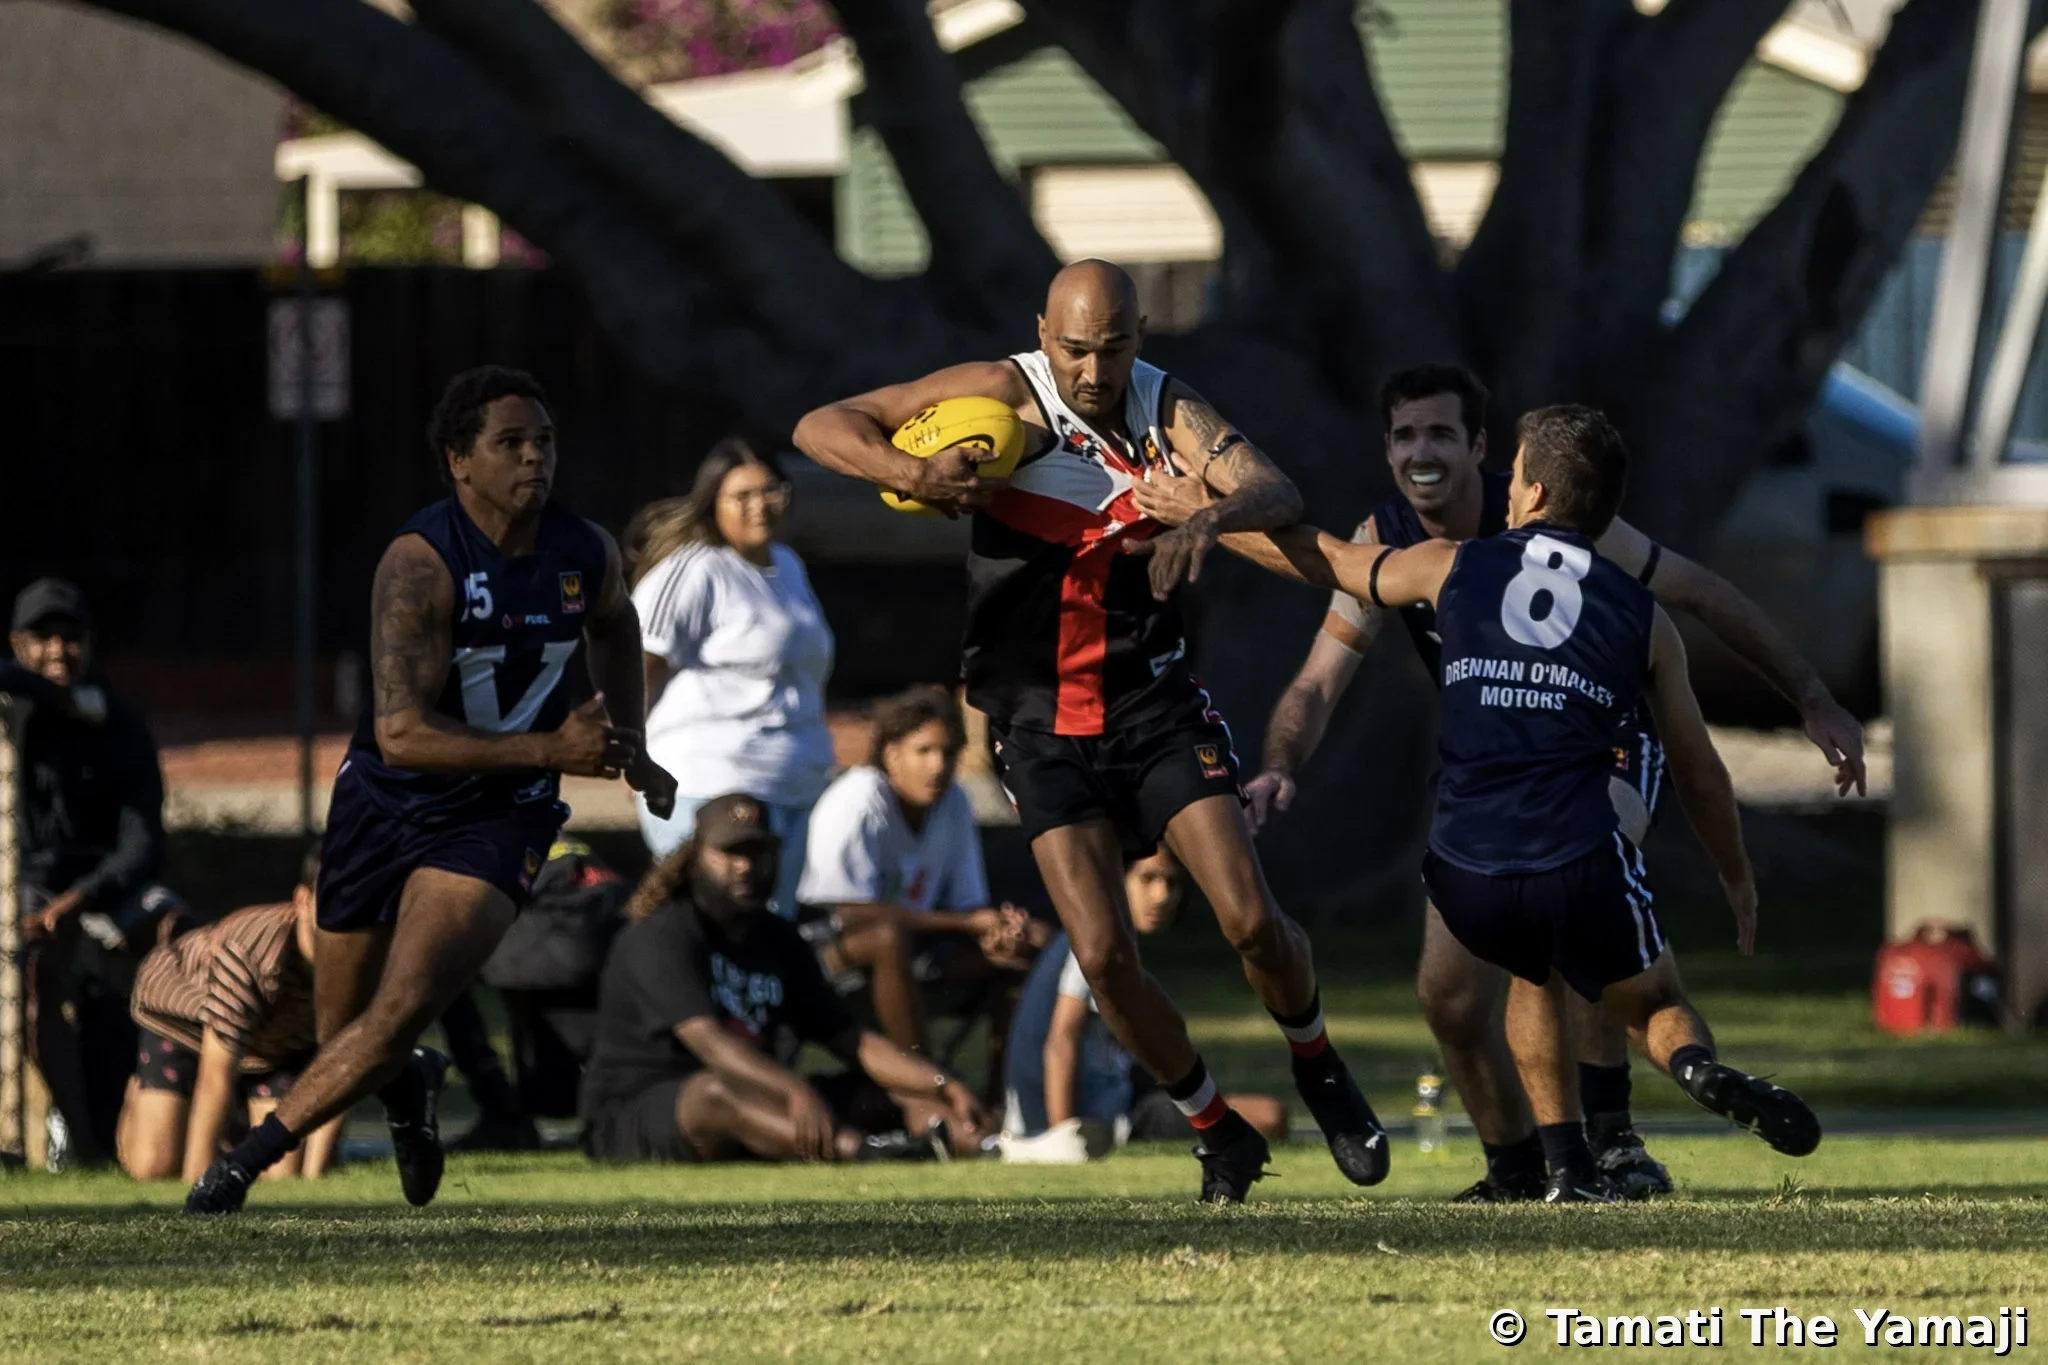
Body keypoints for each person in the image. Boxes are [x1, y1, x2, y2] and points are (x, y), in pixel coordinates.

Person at [1176, 364, 1863, 1203]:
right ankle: (1517, 1167)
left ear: (1485, 454)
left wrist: (1815, 698)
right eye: (1403, 435)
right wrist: (1280, 767)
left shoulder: (1562, 520)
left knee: (1559, 921)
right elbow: (1318, 675)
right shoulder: (1402, 540)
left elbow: (1707, 596)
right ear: (1386, 449)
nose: (1420, 452)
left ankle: (1609, 1145)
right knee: (1449, 998)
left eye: (1439, 434)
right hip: (1498, 774)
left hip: (1609, 751)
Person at [794, 259, 1385, 1203]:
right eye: (1074, 348)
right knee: (1104, 956)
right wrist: (917, 474)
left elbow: (1276, 489)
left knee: (1248, 919)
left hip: (1154, 706)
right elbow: (821, 425)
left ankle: (1317, 1062)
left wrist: (1209, 511)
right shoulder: (1001, 393)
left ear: (1140, 337)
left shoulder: (1167, 412)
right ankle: (1215, 1127)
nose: (1093, 370)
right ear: (1043, 333)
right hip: (1037, 726)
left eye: (1112, 348)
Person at [185, 365, 678, 1214]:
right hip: (384, 801)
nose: (535, 459)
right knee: (348, 1034)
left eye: (546, 442)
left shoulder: (584, 549)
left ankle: (235, 1170)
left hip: (500, 815)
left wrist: (631, 743)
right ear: (459, 460)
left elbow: (616, 621)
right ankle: (410, 1085)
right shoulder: (420, 564)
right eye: (511, 443)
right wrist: (553, 742)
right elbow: (401, 732)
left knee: (404, 1003)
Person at [580, 793, 992, 1164]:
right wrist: (794, 1091)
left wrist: (941, 1084)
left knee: (892, 1096)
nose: (745, 867)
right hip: (642, 1109)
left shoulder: (778, 937)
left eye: (758, 853)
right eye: (730, 853)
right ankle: (868, 1155)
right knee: (715, 1091)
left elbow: (851, 1038)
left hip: (762, 1095)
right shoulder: (660, 935)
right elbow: (711, 1044)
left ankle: (984, 1142)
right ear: (694, 860)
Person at [4, 577, 185, 1167]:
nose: (58, 650)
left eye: (70, 637)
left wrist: (81, 899)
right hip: (29, 887)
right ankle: (85, 1147)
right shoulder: (16, 713)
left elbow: (142, 845)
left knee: (187, 942)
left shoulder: (121, 724)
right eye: (43, 637)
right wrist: (49, 697)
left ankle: (215, 1126)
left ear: (91, 642)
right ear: (17, 643)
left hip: (106, 887)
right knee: (32, 972)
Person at [626, 438, 836, 917]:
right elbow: (637, 668)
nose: (759, 506)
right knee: (708, 925)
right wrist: (631, 754)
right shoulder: (693, 569)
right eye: (741, 496)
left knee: (771, 935)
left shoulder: (788, 565)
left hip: (791, 787)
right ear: (712, 503)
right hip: (710, 782)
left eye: (770, 491)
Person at [798, 685, 1049, 1075]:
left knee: (1031, 945)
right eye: (924, 751)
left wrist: (999, 933)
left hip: (919, 951)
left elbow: (968, 904)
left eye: (948, 753)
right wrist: (967, 923)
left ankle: (1010, 1110)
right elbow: (842, 912)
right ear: (891, 754)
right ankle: (928, 1087)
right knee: (886, 938)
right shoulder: (858, 797)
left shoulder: (955, 801)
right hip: (830, 958)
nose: (938, 766)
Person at [1002, 849, 1287, 1154]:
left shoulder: (1105, 933)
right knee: (1269, 1117)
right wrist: (1063, 1139)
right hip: (1109, 1116)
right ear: (1115, 879)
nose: (1162, 895)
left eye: (1172, 883)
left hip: (1125, 1094)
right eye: (1147, 878)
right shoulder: (1094, 940)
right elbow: (1061, 1040)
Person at [119, 848, 343, 1183]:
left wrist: (314, 1178)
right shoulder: (249, 949)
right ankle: (140, 1095)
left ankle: (235, 1129)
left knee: (281, 1175)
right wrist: (200, 1185)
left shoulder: (366, 955)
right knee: (155, 1167)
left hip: (277, 1047)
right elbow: (215, 1074)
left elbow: (345, 1063)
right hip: (186, 1019)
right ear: (302, 900)